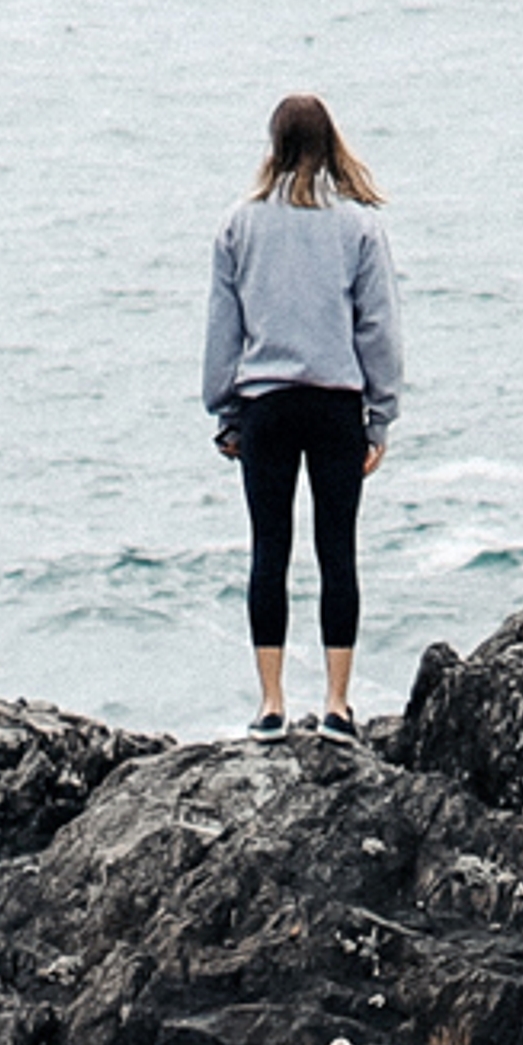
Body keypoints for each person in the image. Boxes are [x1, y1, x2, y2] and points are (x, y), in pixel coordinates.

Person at [202, 93, 402, 739]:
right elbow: (378, 328)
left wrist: (226, 411)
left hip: (266, 406)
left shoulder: (239, 224)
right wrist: (381, 415)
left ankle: (271, 705)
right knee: (337, 550)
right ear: (330, 143)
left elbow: (222, 331)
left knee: (271, 550)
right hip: (336, 403)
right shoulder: (359, 227)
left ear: (274, 144)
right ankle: (339, 708)